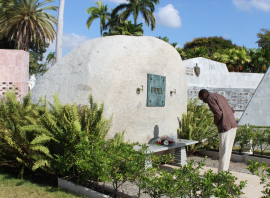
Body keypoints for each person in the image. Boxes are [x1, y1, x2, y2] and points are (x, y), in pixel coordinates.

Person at [198, 89, 238, 172]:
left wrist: (215, 123)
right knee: (228, 150)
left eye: (202, 99)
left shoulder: (210, 98)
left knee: (223, 151)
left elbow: (218, 114)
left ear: (204, 95)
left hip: (225, 126)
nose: (203, 101)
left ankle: (221, 175)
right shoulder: (219, 96)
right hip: (233, 124)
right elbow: (232, 110)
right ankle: (225, 172)